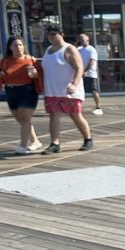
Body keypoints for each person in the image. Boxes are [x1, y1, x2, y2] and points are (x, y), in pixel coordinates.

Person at [40, 25, 93, 154]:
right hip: (52, 90)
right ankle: (55, 143)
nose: (51, 37)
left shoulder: (69, 49)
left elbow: (79, 67)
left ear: (61, 34)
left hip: (69, 91)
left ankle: (88, 139)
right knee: (54, 116)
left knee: (75, 115)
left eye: (53, 34)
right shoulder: (48, 50)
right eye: (49, 34)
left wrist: (74, 84)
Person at [0, 36, 42, 154]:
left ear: (24, 46)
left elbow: (40, 75)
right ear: (10, 47)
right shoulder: (4, 61)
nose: (18, 47)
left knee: (25, 118)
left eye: (20, 45)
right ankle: (35, 141)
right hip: (11, 92)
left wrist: (35, 74)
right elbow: (0, 76)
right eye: (15, 45)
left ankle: (22, 146)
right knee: (21, 120)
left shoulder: (31, 59)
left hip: (27, 91)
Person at [77, 33, 103, 115]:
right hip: (80, 74)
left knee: (93, 90)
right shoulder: (79, 49)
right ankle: (78, 107)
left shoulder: (91, 49)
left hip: (90, 74)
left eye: (83, 40)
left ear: (88, 40)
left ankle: (98, 107)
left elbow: (92, 61)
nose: (81, 41)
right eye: (80, 40)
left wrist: (85, 71)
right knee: (80, 91)